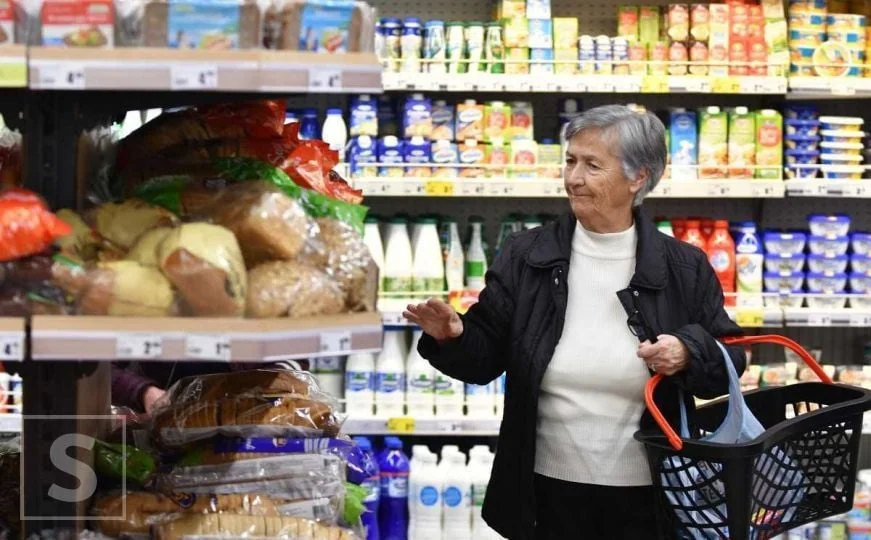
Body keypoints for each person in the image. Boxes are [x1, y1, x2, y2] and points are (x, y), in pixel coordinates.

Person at [404, 104, 746, 540]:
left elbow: (731, 359)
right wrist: (453, 336)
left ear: (638, 177)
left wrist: (687, 352)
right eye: (570, 161)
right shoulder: (527, 255)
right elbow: (484, 358)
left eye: (592, 165)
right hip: (545, 488)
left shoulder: (683, 267)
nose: (573, 178)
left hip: (650, 490)